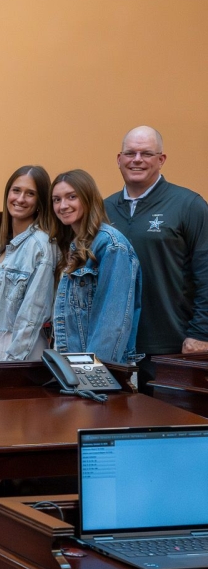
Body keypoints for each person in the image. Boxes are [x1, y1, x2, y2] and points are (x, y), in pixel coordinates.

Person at [104, 126, 208, 388]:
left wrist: (201, 333)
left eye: (146, 153)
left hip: (172, 347)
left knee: (170, 427)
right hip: (115, 346)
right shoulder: (103, 209)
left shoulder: (189, 205)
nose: (137, 159)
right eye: (130, 153)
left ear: (161, 160)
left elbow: (206, 273)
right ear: (119, 159)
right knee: (116, 426)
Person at [50, 169, 142, 365]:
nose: (63, 205)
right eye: (56, 200)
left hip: (97, 371)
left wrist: (91, 373)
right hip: (69, 363)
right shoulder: (69, 245)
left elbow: (112, 323)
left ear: (88, 198)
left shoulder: (111, 245)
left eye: (71, 197)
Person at [0, 166, 57, 362]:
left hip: (20, 350)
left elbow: (34, 311)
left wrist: (14, 360)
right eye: (16, 190)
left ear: (40, 201)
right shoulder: (4, 241)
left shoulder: (41, 244)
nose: (20, 199)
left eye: (30, 194)